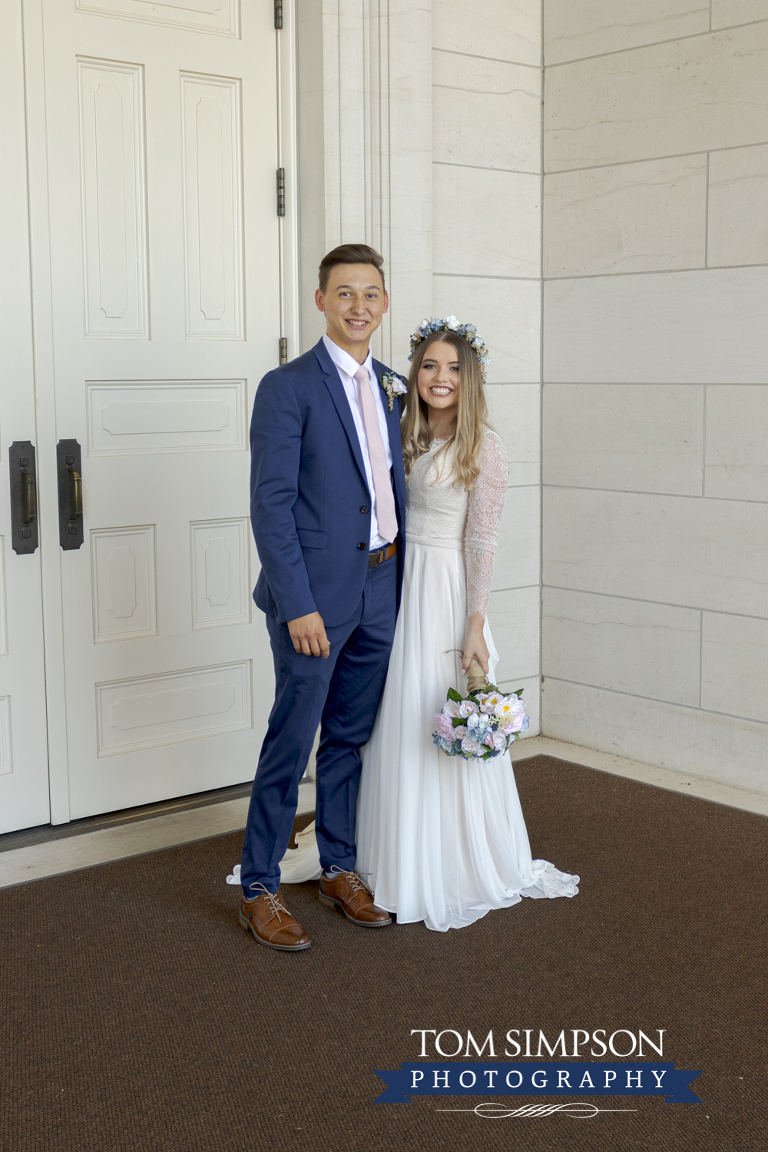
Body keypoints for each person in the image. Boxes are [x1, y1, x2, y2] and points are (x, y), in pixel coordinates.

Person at [355, 318, 579, 931]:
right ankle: (391, 853)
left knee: (437, 710)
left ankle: (446, 862)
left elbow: (483, 539)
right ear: (415, 372)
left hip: (447, 591)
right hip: (399, 586)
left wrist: (476, 622)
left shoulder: (485, 445)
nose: (440, 378)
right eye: (429, 365)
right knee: (397, 715)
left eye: (454, 368)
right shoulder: (402, 431)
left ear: (470, 376)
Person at [234, 243, 407, 951]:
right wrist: (297, 602)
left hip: (382, 586)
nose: (358, 306)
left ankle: (338, 865)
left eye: (370, 293)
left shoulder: (394, 386)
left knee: (349, 740)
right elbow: (270, 506)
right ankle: (260, 887)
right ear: (320, 301)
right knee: (293, 738)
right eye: (344, 294)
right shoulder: (288, 386)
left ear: (384, 303)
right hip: (313, 598)